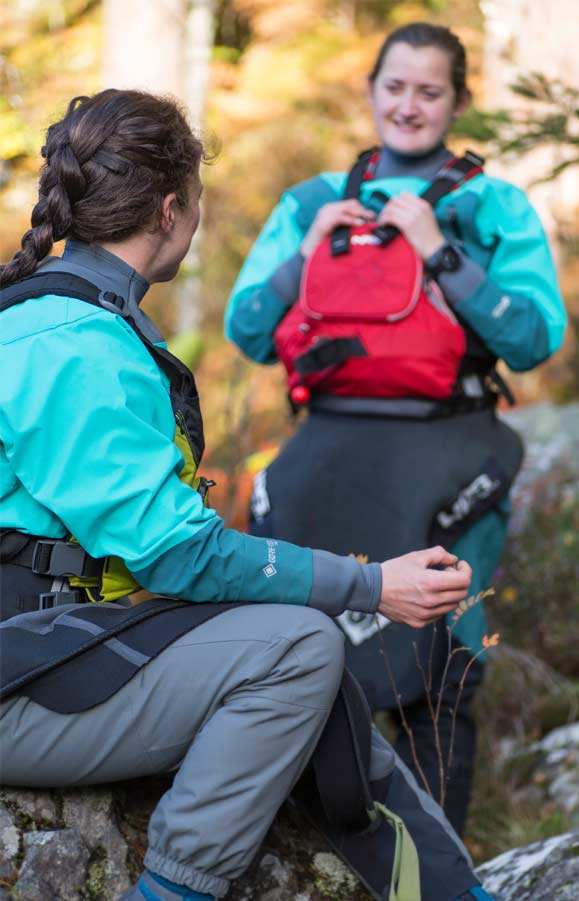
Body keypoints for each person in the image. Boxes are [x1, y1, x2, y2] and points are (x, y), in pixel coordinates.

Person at [0, 89, 496, 901]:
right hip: (21, 672)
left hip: (46, 646)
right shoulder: (77, 346)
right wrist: (372, 585)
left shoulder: (44, 315)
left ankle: (447, 892)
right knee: (299, 649)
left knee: (304, 653)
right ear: (171, 210)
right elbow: (177, 551)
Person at [225, 22, 567, 835]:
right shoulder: (312, 202)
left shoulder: (493, 205)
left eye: (428, 91)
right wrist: (302, 252)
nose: (407, 106)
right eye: (394, 86)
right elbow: (246, 328)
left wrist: (437, 250)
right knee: (299, 650)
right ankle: (309, 857)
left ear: (456, 101)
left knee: (440, 671)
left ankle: (434, 865)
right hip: (329, 447)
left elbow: (533, 335)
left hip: (448, 446)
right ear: (371, 88)